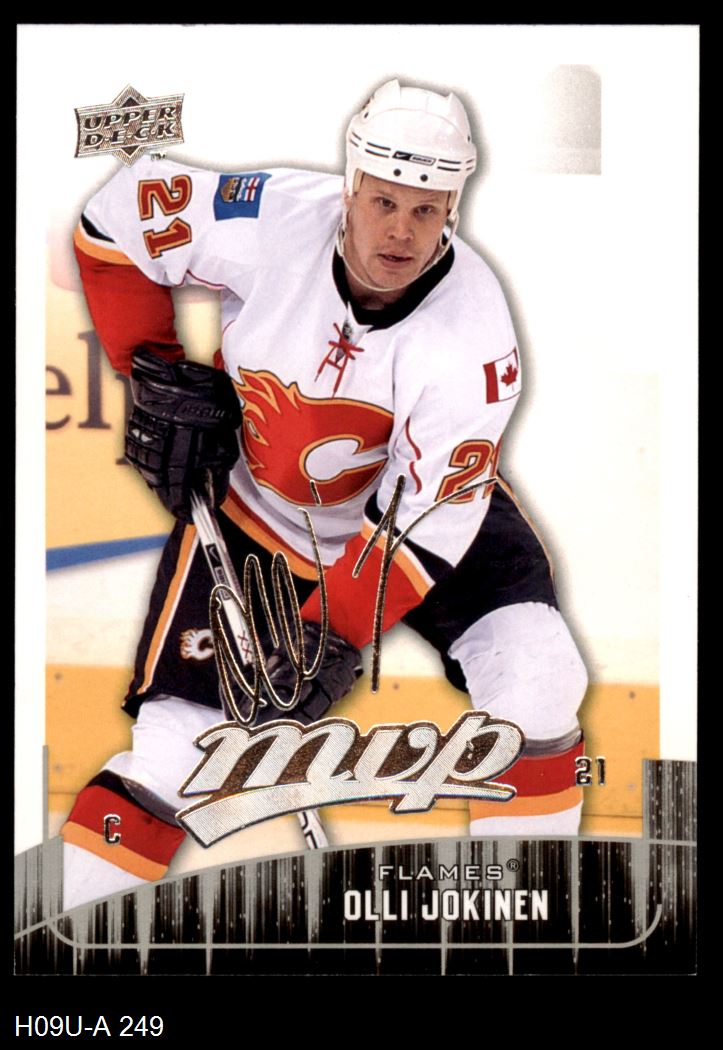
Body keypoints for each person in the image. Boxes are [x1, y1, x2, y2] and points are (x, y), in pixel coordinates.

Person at [61, 80, 588, 909]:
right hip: (258, 513)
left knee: (539, 673)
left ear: (453, 207)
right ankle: (51, 941)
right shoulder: (268, 218)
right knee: (176, 757)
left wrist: (329, 632)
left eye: (425, 209)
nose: (400, 231)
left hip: (415, 513)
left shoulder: (473, 337)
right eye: (384, 202)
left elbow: (432, 517)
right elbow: (115, 216)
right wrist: (151, 369)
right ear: (351, 186)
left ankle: (522, 929)